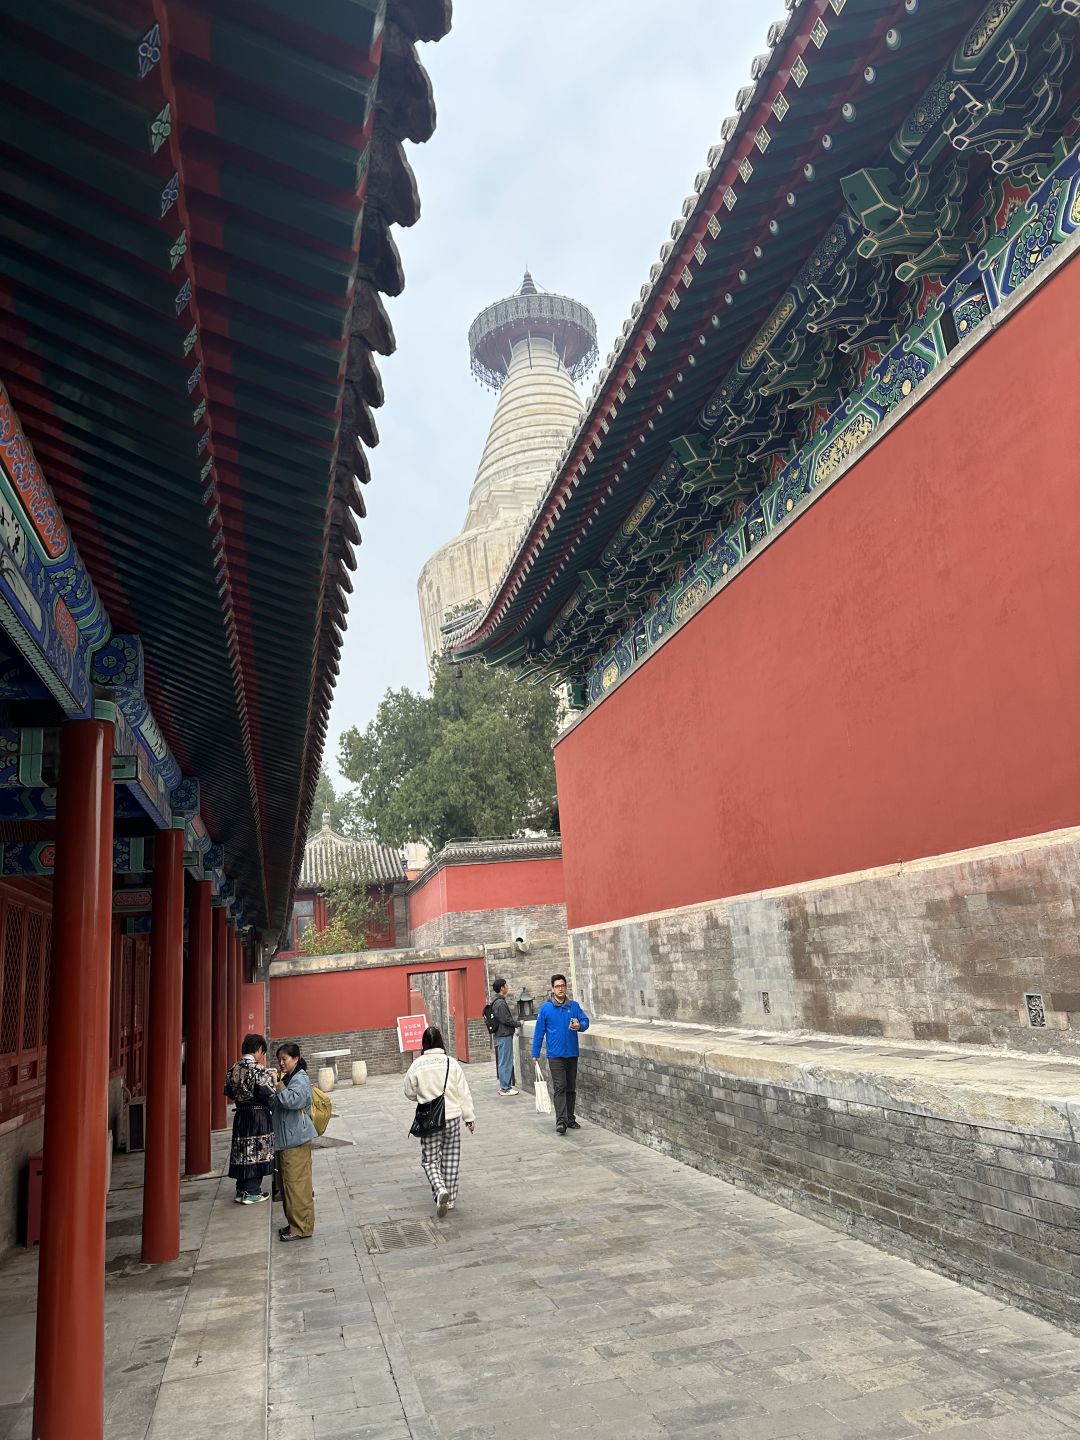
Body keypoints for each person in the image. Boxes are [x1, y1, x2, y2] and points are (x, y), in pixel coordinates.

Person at [403, 1027, 476, 1217]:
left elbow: (409, 1091)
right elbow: (463, 1093)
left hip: (429, 1120)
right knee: (451, 1157)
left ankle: (440, 1188)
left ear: (424, 1044)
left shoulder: (417, 1065)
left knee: (430, 1160)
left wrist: (423, 1096)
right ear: (441, 1043)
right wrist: (469, 1118)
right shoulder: (452, 1063)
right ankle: (449, 1199)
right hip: (452, 1117)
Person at [532, 974, 590, 1136]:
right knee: (560, 1087)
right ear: (552, 989)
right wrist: (535, 1053)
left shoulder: (574, 1006)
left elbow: (585, 1022)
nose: (560, 989)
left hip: (572, 1053)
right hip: (555, 1055)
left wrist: (580, 1026)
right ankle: (561, 1121)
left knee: (571, 1087)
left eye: (563, 986)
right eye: (557, 986)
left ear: (566, 987)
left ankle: (570, 1118)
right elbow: (539, 1032)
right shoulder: (546, 1008)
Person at [272, 1042, 318, 1243]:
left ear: (296, 1058)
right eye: (279, 1059)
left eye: (285, 1059)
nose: (281, 1063)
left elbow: (293, 1101)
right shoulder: (289, 1077)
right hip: (287, 1140)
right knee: (288, 1186)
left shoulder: (300, 1079)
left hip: (296, 1140)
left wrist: (278, 1084)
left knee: (297, 1186)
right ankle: (294, 1224)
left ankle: (302, 1228)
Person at [224, 1033, 276, 1203]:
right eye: (263, 1052)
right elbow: (267, 1092)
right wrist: (273, 1081)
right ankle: (253, 1191)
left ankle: (241, 1190)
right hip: (258, 1116)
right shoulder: (258, 1069)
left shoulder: (233, 1069)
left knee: (242, 1151)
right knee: (256, 1151)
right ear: (259, 1049)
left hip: (241, 1115)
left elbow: (229, 1092)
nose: (262, 1056)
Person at [491, 976, 522, 1096]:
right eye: (506, 986)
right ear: (502, 988)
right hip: (504, 1034)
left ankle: (504, 1086)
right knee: (506, 1061)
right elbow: (506, 1020)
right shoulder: (500, 1003)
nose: (507, 987)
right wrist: (518, 1023)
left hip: (501, 1034)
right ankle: (505, 1087)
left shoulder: (496, 1002)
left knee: (503, 1061)